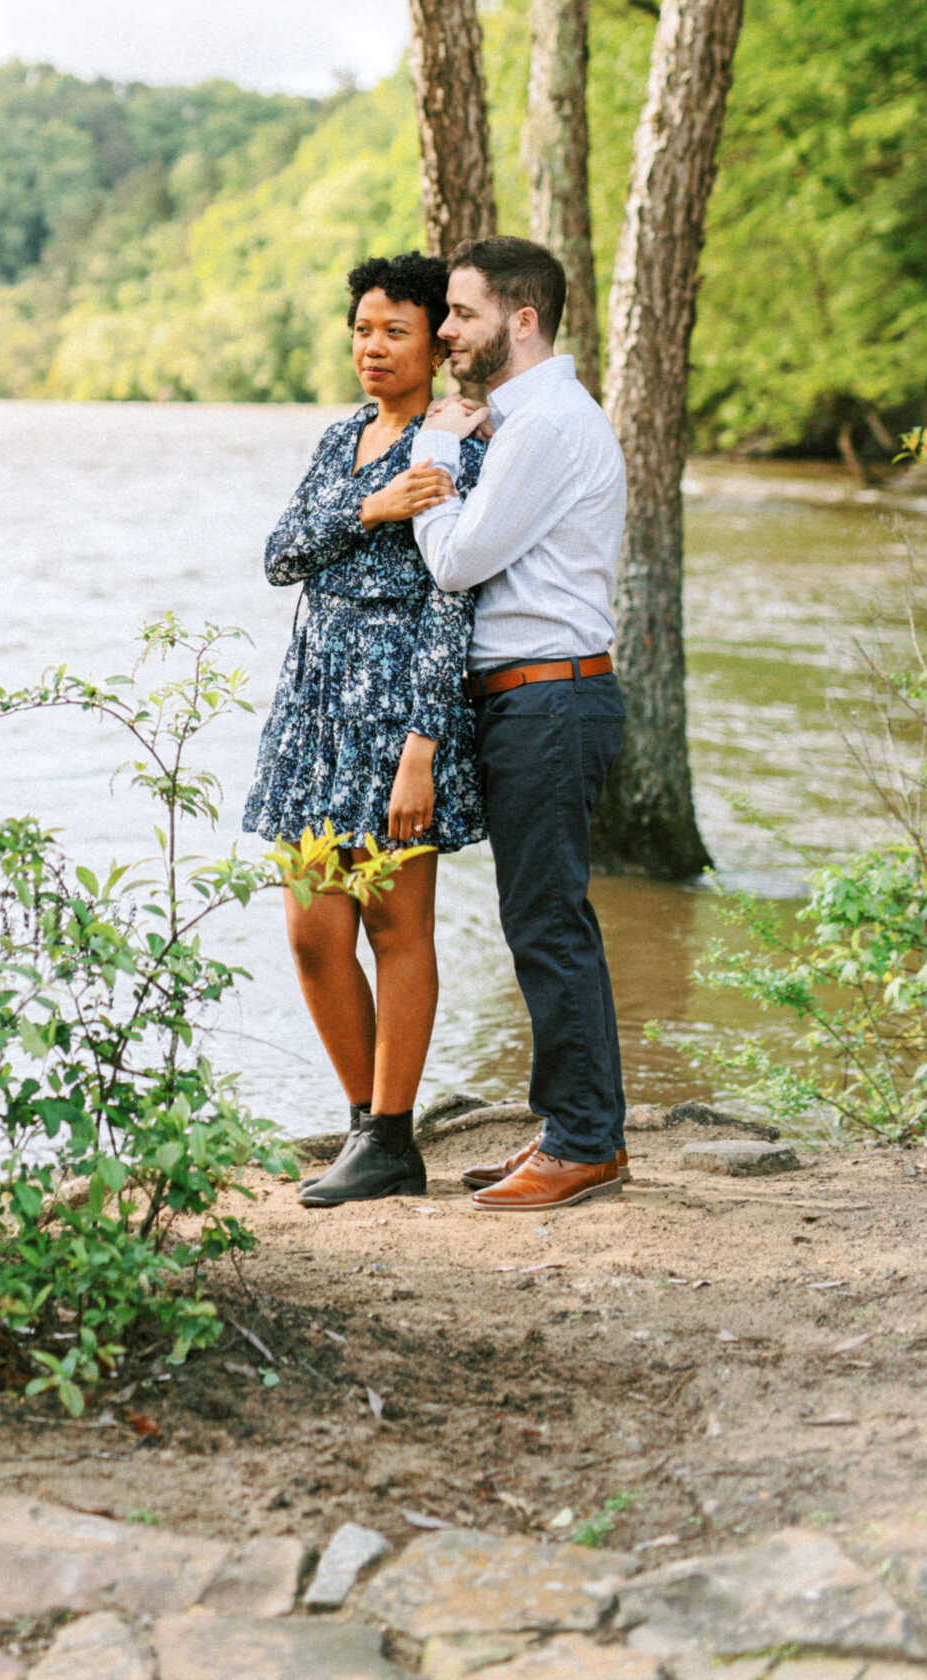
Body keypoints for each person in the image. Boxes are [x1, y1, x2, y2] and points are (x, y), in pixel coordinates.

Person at [242, 252, 487, 1206]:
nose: (372, 347)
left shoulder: (451, 442)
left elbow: (452, 597)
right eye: (361, 329)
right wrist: (367, 505)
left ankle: (392, 1134)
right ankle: (363, 1126)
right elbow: (279, 555)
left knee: (394, 923)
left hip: (395, 708)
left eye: (393, 331)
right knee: (311, 929)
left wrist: (423, 744)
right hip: (313, 702)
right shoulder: (344, 435)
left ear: (435, 341)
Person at [409, 235, 629, 1213]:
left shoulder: (542, 426)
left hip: (548, 695)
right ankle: (577, 1129)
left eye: (461, 312)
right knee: (545, 917)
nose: (447, 329)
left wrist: (429, 457)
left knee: (547, 922)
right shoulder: (528, 419)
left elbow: (458, 561)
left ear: (522, 318)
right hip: (540, 697)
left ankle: (584, 1143)